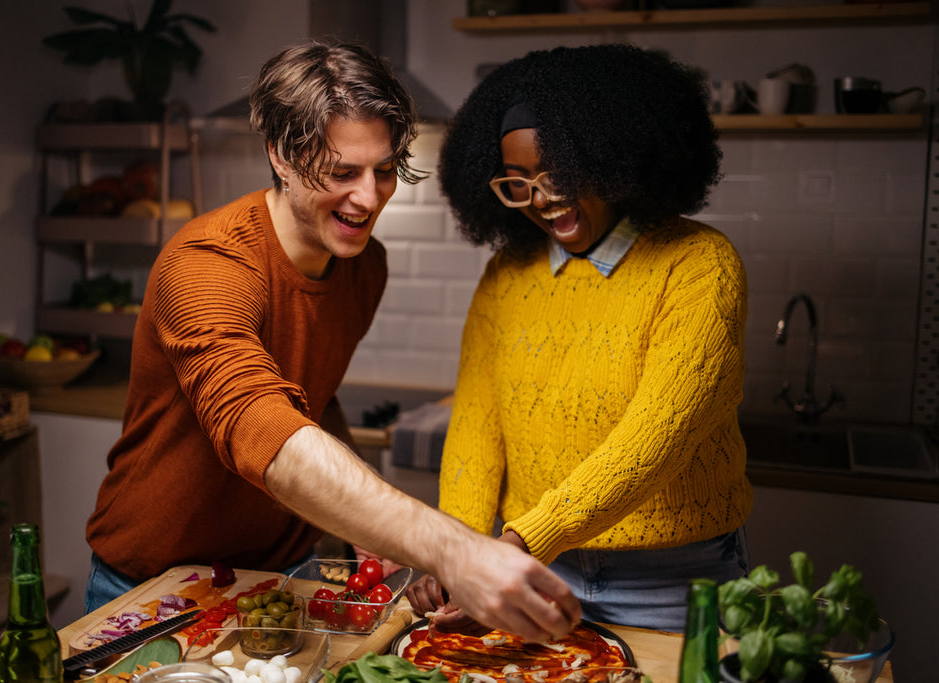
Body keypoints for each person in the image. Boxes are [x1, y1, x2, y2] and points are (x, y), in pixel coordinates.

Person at [83, 39, 580, 643]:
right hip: (157, 586)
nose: (369, 199)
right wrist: (455, 549)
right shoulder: (206, 264)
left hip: (281, 579)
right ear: (281, 157)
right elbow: (260, 423)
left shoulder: (365, 267)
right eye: (342, 172)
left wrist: (368, 533)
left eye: (383, 171)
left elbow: (311, 400)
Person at [406, 44, 753, 634]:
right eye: (519, 184)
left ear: (611, 157)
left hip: (672, 581)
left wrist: (517, 542)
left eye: (561, 174)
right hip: (540, 574)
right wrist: (455, 548)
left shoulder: (699, 265)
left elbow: (655, 438)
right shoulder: (506, 276)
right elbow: (476, 427)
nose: (543, 199)